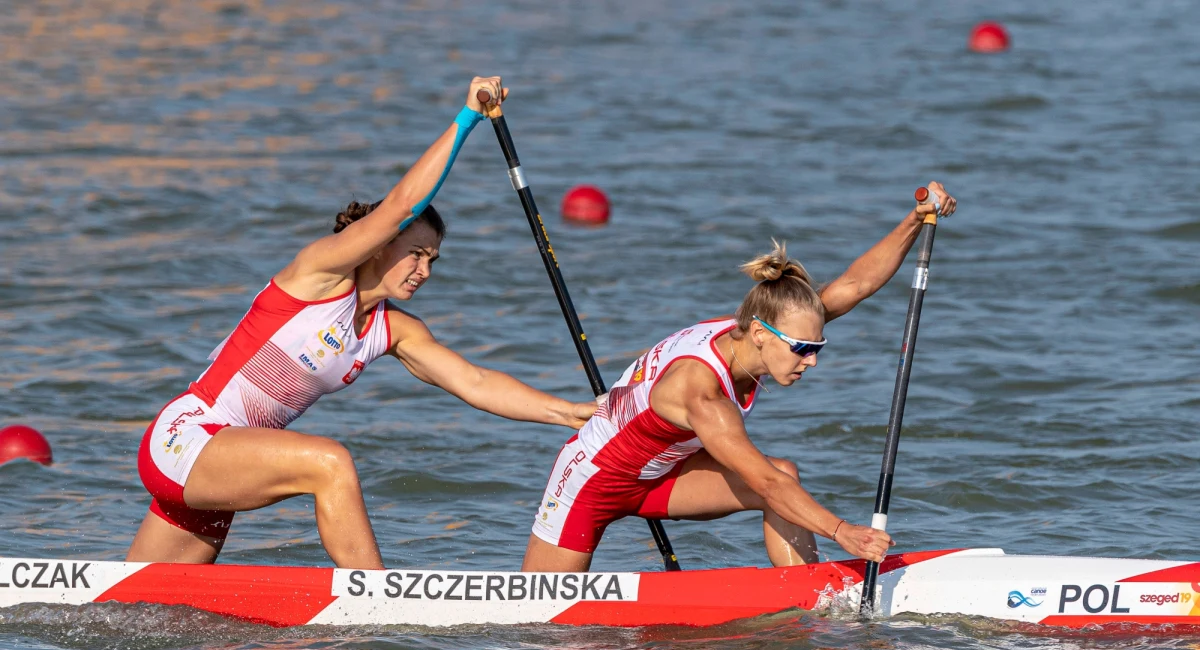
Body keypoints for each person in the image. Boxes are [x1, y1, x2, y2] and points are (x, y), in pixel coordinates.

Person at [129, 76, 596, 569]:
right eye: (415, 253)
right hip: (189, 437)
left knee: (143, 616)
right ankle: (378, 603)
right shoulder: (319, 274)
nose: (424, 270)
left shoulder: (392, 331)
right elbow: (400, 206)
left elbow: (475, 382)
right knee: (330, 464)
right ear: (378, 243)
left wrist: (568, 413)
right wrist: (467, 118)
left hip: (222, 461)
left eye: (433, 260)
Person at [523, 183, 958, 572]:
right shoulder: (703, 393)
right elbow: (764, 484)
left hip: (663, 477)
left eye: (818, 347)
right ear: (758, 334)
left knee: (785, 472)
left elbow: (855, 285)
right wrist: (843, 532)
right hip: (591, 482)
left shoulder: (770, 325)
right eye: (803, 349)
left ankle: (805, 593)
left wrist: (915, 220)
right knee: (543, 633)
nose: (812, 360)